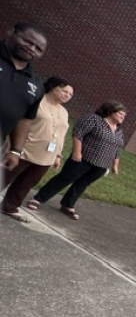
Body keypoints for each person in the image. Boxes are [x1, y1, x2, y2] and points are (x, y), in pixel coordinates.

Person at [30, 101, 127, 220]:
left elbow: (117, 149)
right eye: (121, 113)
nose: (123, 117)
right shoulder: (94, 120)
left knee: (82, 184)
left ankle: (67, 205)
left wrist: (115, 165)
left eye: (124, 115)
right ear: (111, 111)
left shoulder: (119, 131)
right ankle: (38, 199)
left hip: (101, 165)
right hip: (83, 158)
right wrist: (77, 152)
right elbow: (78, 133)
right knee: (64, 179)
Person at [2, 77, 73, 222]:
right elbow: (20, 122)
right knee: (5, 176)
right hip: (25, 149)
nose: (67, 95)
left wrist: (58, 156)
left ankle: (9, 207)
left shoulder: (64, 112)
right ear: (53, 87)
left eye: (70, 94)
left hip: (46, 156)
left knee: (27, 183)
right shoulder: (37, 102)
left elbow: (61, 135)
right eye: (64, 91)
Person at [1, 22, 46, 178]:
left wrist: (15, 150)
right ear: (11, 32)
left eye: (38, 48)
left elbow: (26, 119)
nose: (32, 48)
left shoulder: (36, 84)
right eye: (28, 41)